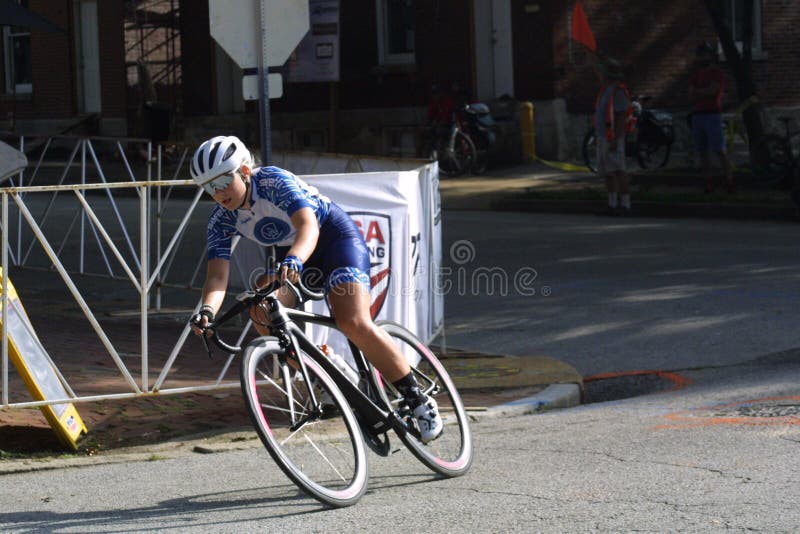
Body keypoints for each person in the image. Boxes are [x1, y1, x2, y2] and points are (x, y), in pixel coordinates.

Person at [188, 135, 443, 443]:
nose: (218, 193)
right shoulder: (220, 220)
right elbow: (217, 276)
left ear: (243, 171)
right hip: (294, 255)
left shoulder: (271, 181)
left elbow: (308, 226)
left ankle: (417, 399)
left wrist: (294, 260)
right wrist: (206, 312)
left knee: (352, 321)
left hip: (333, 240)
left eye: (221, 182)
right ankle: (327, 370)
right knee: (259, 303)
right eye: (208, 188)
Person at [689, 41, 734, 194]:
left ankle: (729, 181)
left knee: (719, 150)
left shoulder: (717, 73)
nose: (702, 57)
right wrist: (703, 92)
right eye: (700, 54)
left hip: (712, 114)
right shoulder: (696, 75)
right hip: (697, 116)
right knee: (703, 152)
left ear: (711, 55)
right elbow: (690, 95)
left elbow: (713, 91)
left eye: (704, 54)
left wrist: (699, 92)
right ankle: (708, 184)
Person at [593, 57, 633, 216]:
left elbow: (622, 116)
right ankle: (612, 203)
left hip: (613, 137)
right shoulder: (606, 89)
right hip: (603, 136)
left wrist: (616, 138)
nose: (600, 75)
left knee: (618, 169)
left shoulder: (618, 91)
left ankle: (625, 204)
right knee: (608, 171)